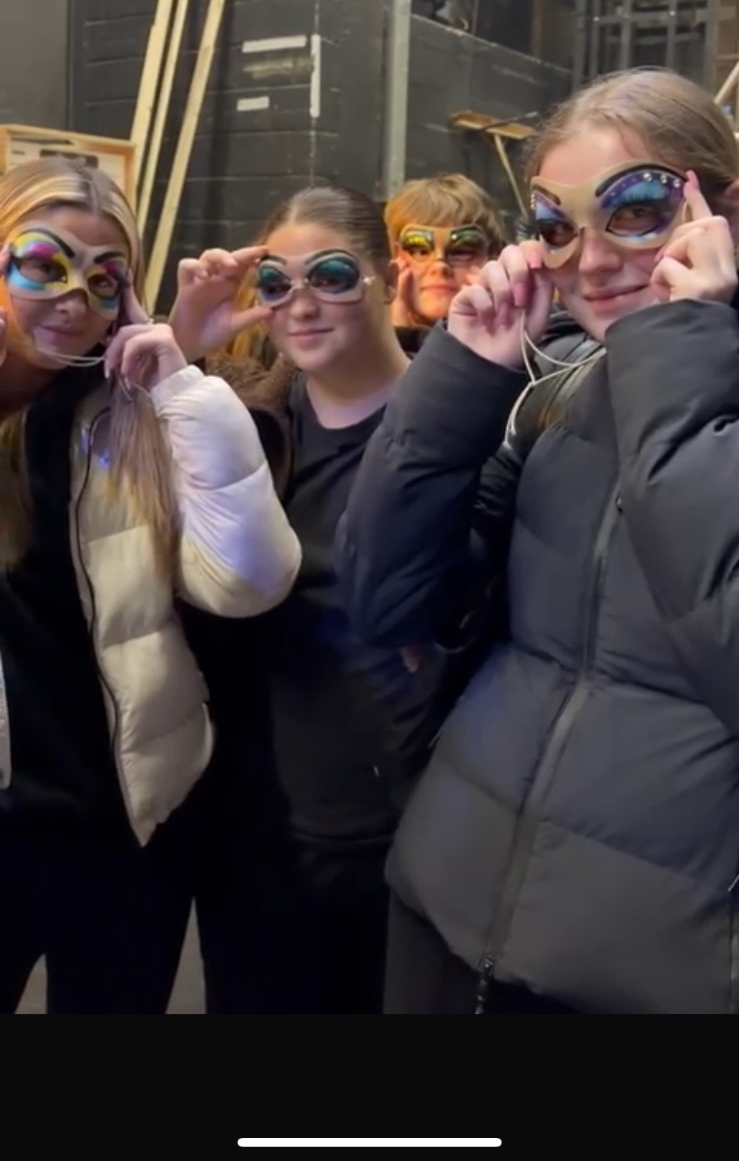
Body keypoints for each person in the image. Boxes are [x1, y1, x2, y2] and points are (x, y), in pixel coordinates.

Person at [338, 68, 739, 1015]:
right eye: (557, 226)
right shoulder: (554, 395)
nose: (588, 262)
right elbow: (387, 602)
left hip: (652, 975)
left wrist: (677, 356)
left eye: (634, 211)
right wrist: (460, 378)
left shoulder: (657, 388)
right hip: (445, 914)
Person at [0, 157, 300, 1014]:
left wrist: (182, 385)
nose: (74, 299)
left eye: (104, 279)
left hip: (128, 828)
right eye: (43, 264)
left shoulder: (136, 413)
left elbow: (246, 582)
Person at [168, 185, 455, 1013]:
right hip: (254, 831)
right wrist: (183, 348)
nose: (299, 305)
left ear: (386, 275)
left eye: (330, 275)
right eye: (276, 284)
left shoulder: (452, 427)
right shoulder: (250, 430)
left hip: (399, 832)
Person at [385, 172, 504, 337]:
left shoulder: (523, 343)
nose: (440, 266)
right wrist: (399, 335)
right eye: (420, 251)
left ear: (492, 257)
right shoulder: (356, 343)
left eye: (461, 251)